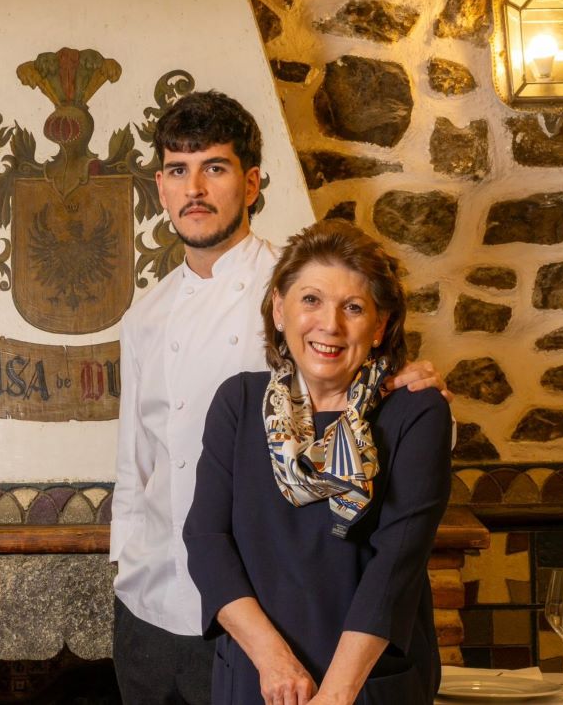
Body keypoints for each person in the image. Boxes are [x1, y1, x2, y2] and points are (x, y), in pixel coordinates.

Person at [110, 92, 449, 705]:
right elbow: (136, 461)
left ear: (251, 182)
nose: (194, 189)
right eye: (178, 171)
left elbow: (364, 382)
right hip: (149, 600)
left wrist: (418, 383)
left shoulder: (297, 287)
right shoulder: (145, 316)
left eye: (214, 168)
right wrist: (123, 562)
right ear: (160, 187)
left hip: (255, 616)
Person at [183, 220, 452, 705]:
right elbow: (206, 542)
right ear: (278, 309)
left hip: (367, 685)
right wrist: (274, 661)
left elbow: (395, 567)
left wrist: (335, 696)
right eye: (311, 299)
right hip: (259, 678)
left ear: (380, 327)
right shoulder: (237, 403)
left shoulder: (416, 411)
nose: (330, 324)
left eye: (353, 307)